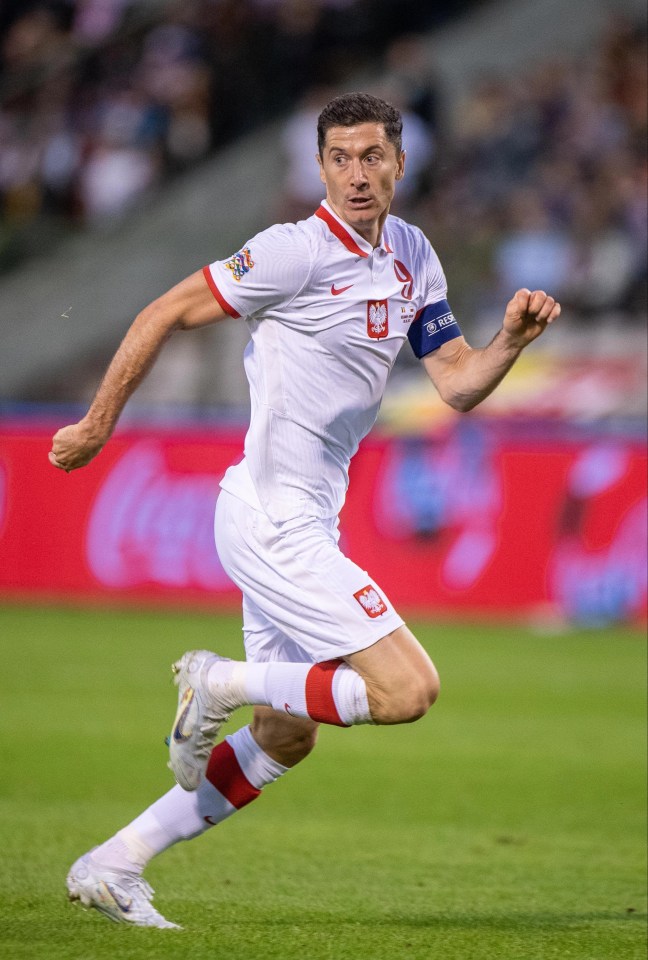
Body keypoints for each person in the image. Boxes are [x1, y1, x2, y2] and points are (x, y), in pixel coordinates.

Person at [49, 92, 561, 929]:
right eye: (340, 159)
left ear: (400, 162)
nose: (356, 175)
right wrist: (99, 422)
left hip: (305, 519)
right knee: (406, 691)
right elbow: (166, 310)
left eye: (372, 157)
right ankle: (215, 679)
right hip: (270, 517)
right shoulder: (292, 251)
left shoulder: (412, 254)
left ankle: (113, 863)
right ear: (319, 168)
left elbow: (458, 380)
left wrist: (510, 341)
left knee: (286, 734)